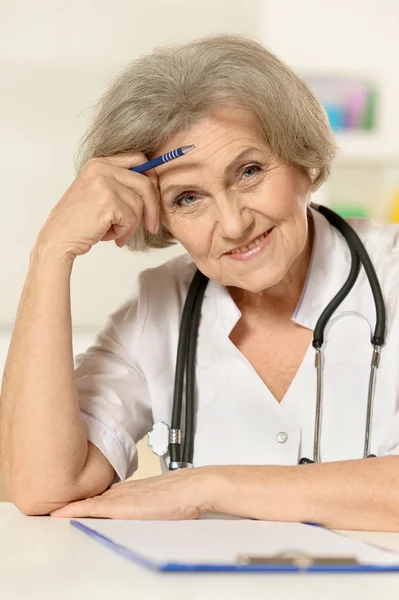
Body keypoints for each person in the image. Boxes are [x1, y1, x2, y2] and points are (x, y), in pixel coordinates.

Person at [1, 33, 399, 531]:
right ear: (158, 216)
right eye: (187, 198)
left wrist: (209, 488)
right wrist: (51, 253)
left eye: (249, 171)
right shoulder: (158, 308)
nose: (233, 224)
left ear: (303, 158)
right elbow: (41, 487)